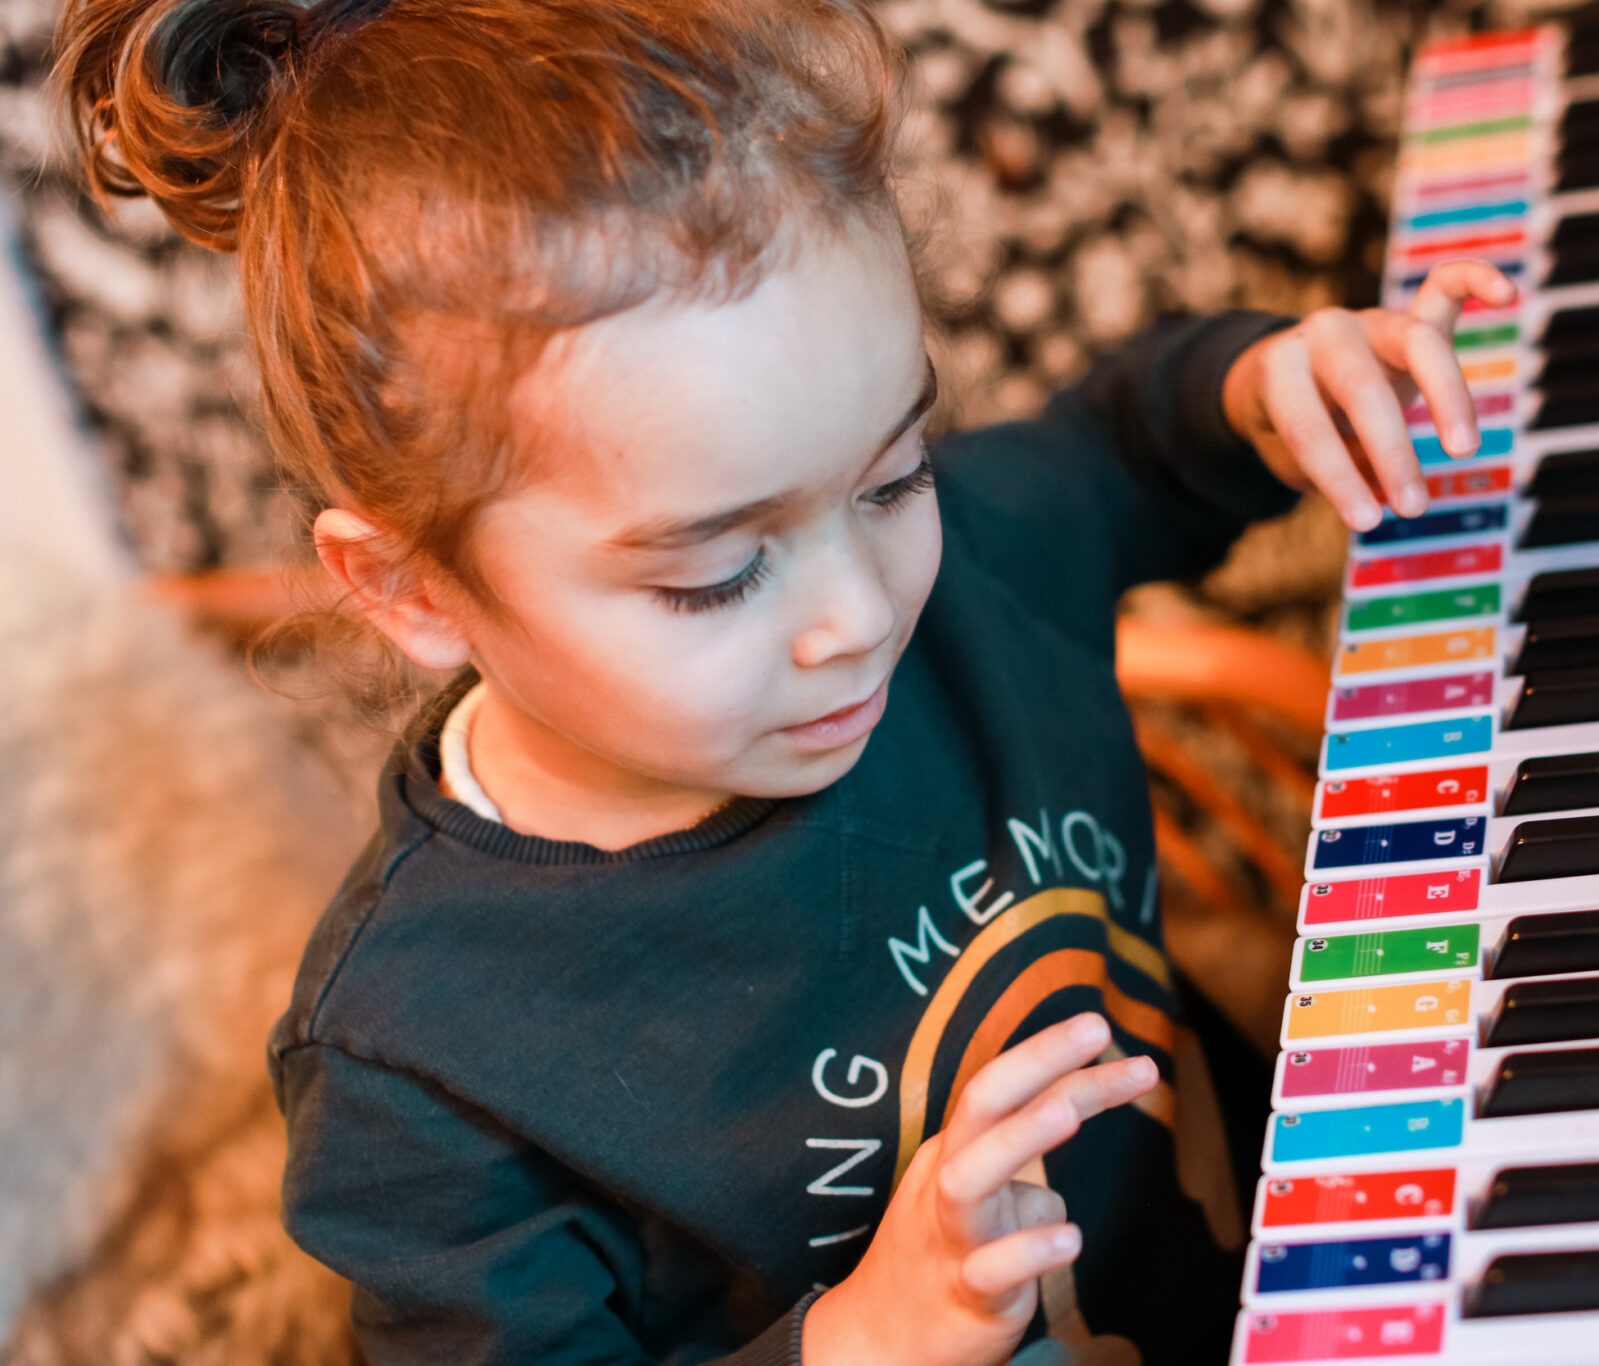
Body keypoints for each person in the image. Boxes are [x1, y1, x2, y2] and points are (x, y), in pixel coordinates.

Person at [52, 0, 1515, 1361]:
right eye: (714, 574)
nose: (855, 617)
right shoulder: (420, 1067)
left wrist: (1261, 391)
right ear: (412, 589)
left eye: (893, 477)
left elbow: (1126, 448)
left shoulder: (960, 571)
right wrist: (856, 1339)